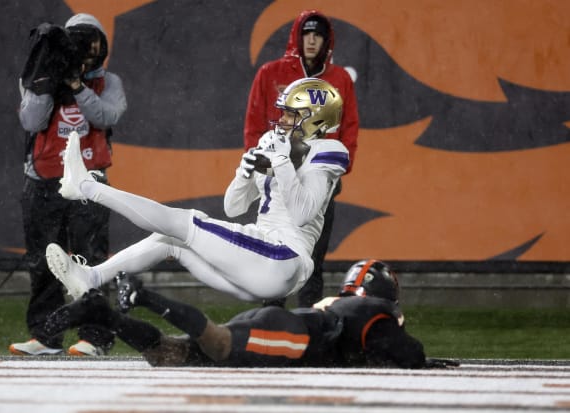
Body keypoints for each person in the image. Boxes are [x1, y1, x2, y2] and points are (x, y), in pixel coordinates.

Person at [44, 77, 348, 305]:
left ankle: (86, 187)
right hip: (262, 261)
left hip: (286, 257)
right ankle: (92, 277)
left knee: (186, 221)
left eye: (291, 115)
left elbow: (302, 213)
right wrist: (245, 173)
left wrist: (281, 162)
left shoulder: (328, 149)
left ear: (315, 119)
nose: (282, 120)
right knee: (169, 241)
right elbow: (233, 207)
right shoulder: (276, 140)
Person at [43, 260, 457, 369]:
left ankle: (103, 314)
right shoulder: (371, 311)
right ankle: (145, 295)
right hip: (294, 340)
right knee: (220, 344)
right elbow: (406, 353)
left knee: (169, 354)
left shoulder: (341, 303)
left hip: (281, 325)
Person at [10, 13, 127, 357]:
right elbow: (30, 121)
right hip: (43, 180)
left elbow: (106, 117)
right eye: (79, 48)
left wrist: (78, 87)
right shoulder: (39, 75)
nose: (86, 55)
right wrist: (50, 82)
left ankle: (96, 337)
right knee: (43, 262)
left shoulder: (110, 82)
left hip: (90, 182)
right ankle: (45, 336)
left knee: (90, 260)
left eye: (93, 48)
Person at [244, 10, 360, 307]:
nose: (311, 40)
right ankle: (267, 322)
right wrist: (260, 164)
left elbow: (349, 128)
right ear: (297, 37)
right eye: (306, 34)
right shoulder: (271, 73)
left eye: (318, 35)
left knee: (312, 257)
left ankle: (308, 328)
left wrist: (335, 169)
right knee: (271, 254)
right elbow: (254, 124)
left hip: (318, 178)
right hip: (277, 175)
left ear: (327, 41)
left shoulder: (340, 79)